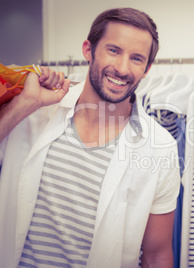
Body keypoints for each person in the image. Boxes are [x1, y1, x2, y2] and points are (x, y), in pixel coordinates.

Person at [0, 7, 180, 267]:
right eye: (114, 50)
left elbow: (157, 255)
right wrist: (22, 105)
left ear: (147, 68)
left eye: (136, 58)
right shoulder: (33, 111)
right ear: (88, 49)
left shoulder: (161, 148)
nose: (122, 68)